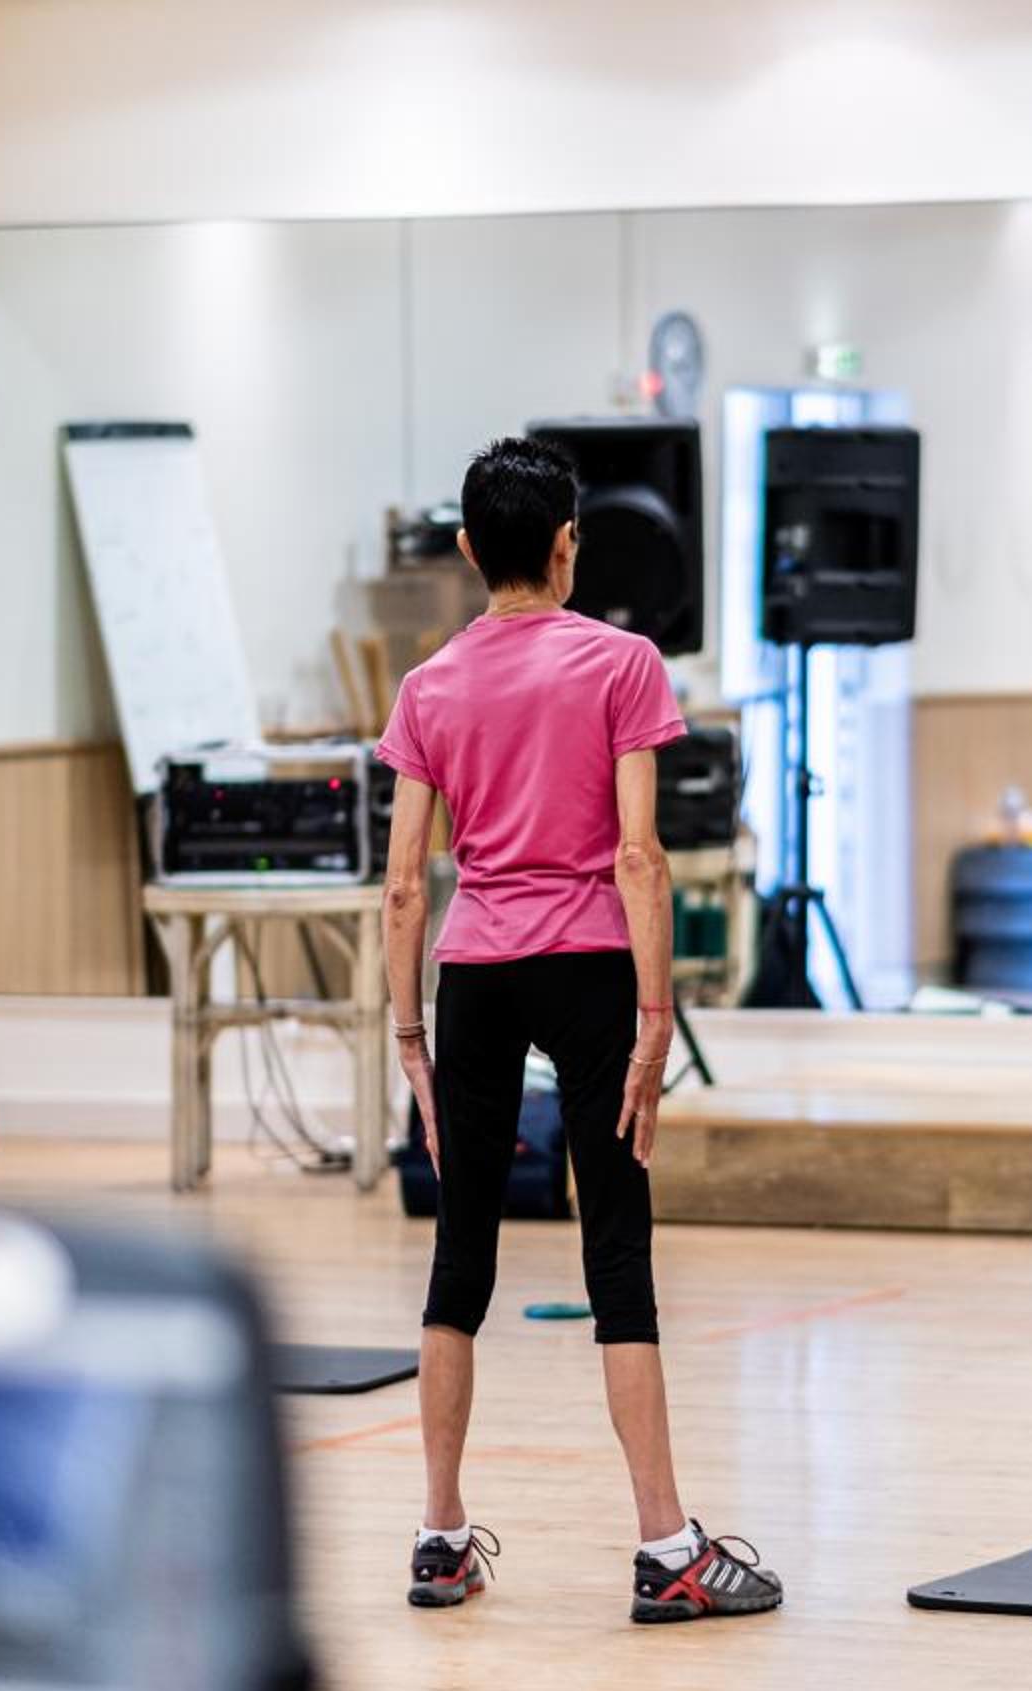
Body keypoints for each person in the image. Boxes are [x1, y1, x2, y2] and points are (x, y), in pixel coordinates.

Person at [378, 436, 782, 1625]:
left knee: (458, 1262)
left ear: (467, 550)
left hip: (476, 975)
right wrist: (657, 1018)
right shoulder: (624, 663)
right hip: (593, 968)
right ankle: (667, 1546)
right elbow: (639, 856)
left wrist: (410, 1041)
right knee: (618, 1256)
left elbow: (404, 887)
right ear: (567, 546)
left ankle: (439, 1537)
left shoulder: (428, 685)